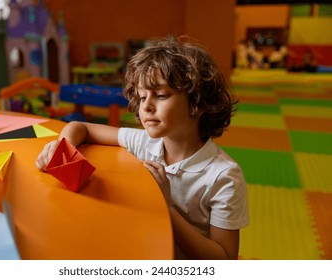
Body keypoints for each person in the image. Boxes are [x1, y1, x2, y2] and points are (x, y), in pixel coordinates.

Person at [36, 35, 249, 260]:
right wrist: (61, 147)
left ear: (198, 100)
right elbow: (80, 127)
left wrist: (166, 208)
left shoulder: (224, 176)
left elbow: (224, 260)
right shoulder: (146, 142)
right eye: (142, 96)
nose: (146, 106)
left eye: (161, 95)